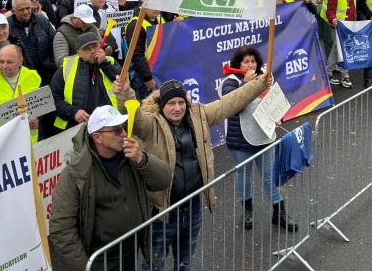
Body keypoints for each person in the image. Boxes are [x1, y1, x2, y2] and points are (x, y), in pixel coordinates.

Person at [114, 73, 268, 271]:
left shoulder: (199, 116)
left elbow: (231, 102)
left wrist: (259, 84)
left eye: (181, 102)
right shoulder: (151, 124)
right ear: (161, 106)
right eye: (171, 103)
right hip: (162, 212)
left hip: (193, 207)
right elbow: (133, 117)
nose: (177, 108)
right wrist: (126, 92)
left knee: (186, 261)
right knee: (154, 263)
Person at [49, 105, 171, 271]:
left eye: (123, 127)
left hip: (130, 250)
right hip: (101, 260)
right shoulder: (76, 172)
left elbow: (163, 180)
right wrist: (85, 267)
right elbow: (61, 229)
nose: (123, 133)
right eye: (116, 130)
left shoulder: (132, 154)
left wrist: (142, 159)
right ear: (98, 137)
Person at [221, 46, 297, 231]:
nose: (250, 65)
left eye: (253, 61)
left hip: (265, 136)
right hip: (240, 139)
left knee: (269, 176)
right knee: (244, 175)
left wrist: (279, 117)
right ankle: (247, 210)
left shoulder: (265, 78)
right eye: (245, 61)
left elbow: (275, 102)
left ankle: (279, 212)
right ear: (238, 64)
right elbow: (232, 107)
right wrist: (245, 85)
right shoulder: (230, 82)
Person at [50, 33, 122, 131]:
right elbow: (53, 99)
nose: (92, 51)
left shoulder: (110, 62)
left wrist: (105, 64)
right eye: (87, 49)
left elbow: (124, 83)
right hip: (78, 127)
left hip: (110, 123)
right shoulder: (66, 68)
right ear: (79, 52)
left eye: (95, 46)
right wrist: (74, 112)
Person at [322, 0, 356, 88]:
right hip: (337, 26)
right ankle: (345, 75)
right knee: (342, 49)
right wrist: (333, 19)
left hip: (347, 26)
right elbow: (330, 10)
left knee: (337, 50)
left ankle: (328, 73)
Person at [53, 4, 103, 69]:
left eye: (89, 21)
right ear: (74, 18)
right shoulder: (62, 33)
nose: (87, 24)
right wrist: (84, 55)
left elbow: (100, 44)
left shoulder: (92, 27)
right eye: (84, 22)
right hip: (74, 72)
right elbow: (60, 61)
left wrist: (106, 49)